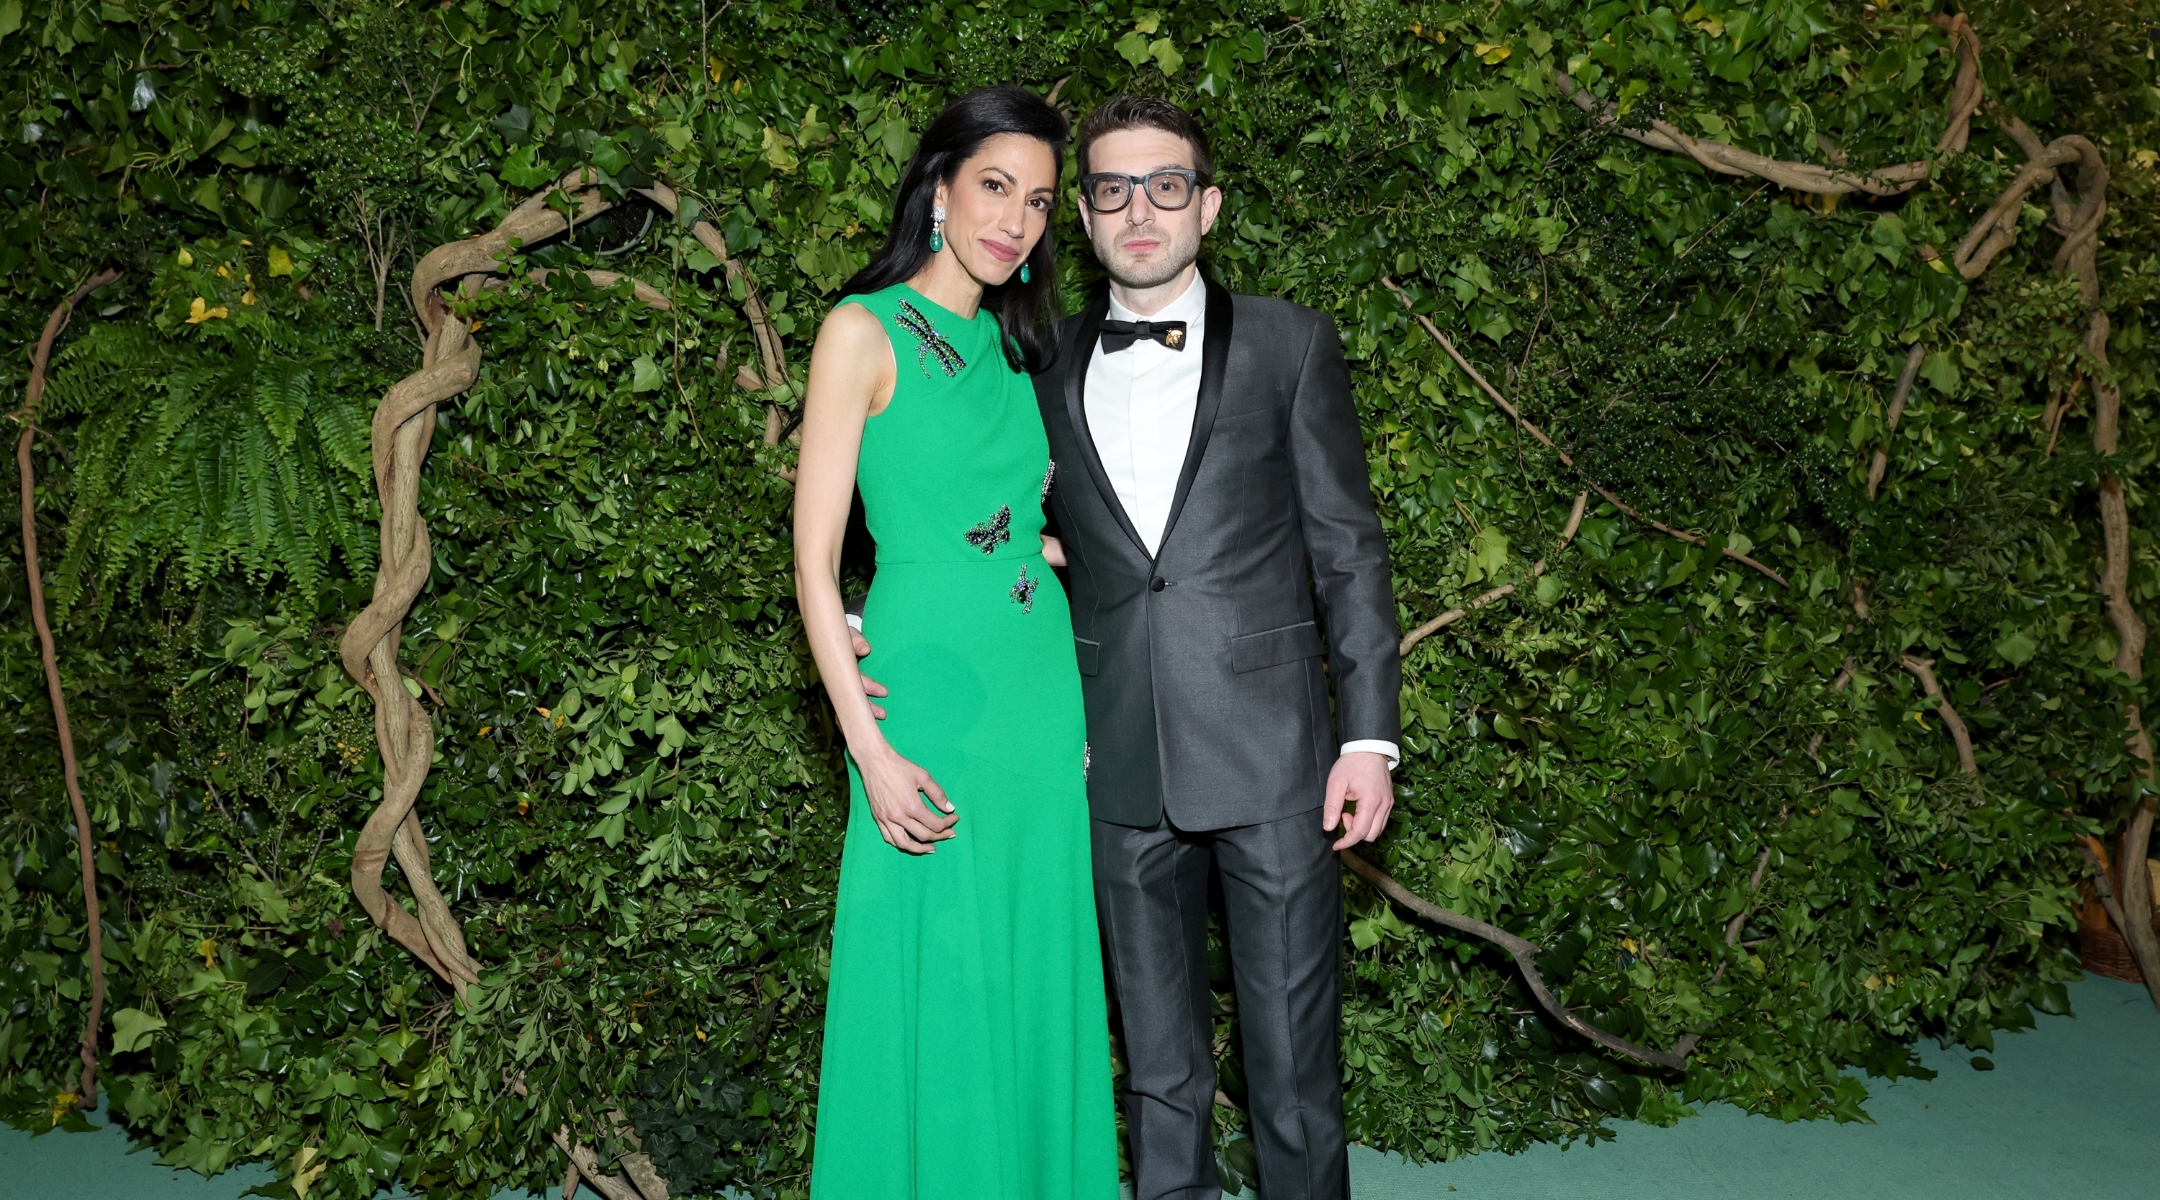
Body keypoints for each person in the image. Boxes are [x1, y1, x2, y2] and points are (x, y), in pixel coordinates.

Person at [1037, 96, 1402, 1200]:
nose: (1137, 210)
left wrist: (1370, 739)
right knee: (1155, 1074)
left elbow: (1347, 548)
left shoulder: (1290, 342)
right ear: (1087, 219)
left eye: (1164, 186)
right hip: (1114, 759)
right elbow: (970, 504)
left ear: (1208, 205)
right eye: (1111, 189)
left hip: (1277, 756)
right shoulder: (1038, 362)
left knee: (1293, 1073)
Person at [792, 86, 1117, 1199]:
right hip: (923, 695)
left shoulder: (1030, 357)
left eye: (1035, 202)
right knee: (937, 969)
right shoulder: (859, 331)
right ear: (939, 188)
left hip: (1037, 699)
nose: (1014, 220)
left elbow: (1037, 528)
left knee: (1033, 970)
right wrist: (867, 748)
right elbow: (813, 560)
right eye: (994, 187)